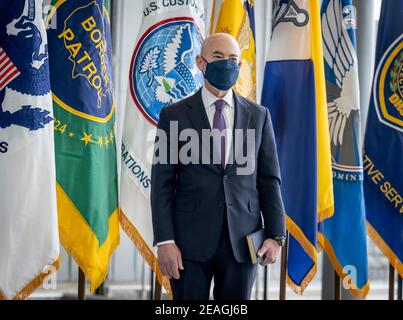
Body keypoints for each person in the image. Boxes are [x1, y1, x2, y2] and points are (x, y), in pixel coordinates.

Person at [151, 33, 286, 300]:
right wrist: (165, 241)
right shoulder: (173, 115)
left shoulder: (259, 116)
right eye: (218, 57)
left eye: (233, 59)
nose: (227, 64)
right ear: (201, 63)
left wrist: (276, 235)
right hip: (188, 244)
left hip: (243, 243)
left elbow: (269, 181)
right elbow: (162, 184)